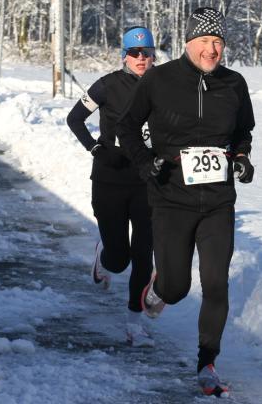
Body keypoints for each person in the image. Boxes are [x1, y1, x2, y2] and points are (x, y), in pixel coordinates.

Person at [115, 7, 255, 397]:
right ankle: (159, 289)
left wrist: (242, 159)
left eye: (218, 42)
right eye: (204, 41)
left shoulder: (234, 84)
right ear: (188, 43)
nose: (211, 50)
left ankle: (207, 363)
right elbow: (126, 127)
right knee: (177, 288)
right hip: (170, 197)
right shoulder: (159, 80)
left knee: (215, 283)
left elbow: (243, 132)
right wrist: (147, 164)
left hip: (218, 201)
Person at [66, 26, 157, 347]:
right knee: (120, 259)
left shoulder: (163, 86)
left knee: (144, 253)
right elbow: (74, 118)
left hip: (147, 181)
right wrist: (94, 148)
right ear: (124, 56)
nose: (142, 59)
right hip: (109, 179)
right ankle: (104, 256)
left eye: (147, 52)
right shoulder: (106, 85)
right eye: (135, 53)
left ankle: (134, 322)